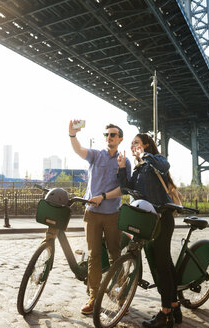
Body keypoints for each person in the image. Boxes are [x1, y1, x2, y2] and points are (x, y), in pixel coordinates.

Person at [116, 133, 181, 328]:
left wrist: (145, 155)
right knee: (163, 263)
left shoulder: (155, 161)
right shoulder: (139, 169)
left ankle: (166, 314)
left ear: (146, 144)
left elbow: (165, 166)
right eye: (132, 144)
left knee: (161, 264)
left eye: (137, 142)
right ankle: (175, 306)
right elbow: (126, 189)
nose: (134, 146)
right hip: (148, 219)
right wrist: (121, 168)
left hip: (163, 217)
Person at [68, 120, 131, 315]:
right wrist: (72, 135)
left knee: (115, 256)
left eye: (113, 135)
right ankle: (94, 297)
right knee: (94, 255)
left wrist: (103, 197)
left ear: (120, 139)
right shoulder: (96, 155)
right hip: (92, 214)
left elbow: (123, 189)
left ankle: (121, 298)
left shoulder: (124, 161)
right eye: (107, 135)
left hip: (113, 214)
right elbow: (79, 150)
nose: (109, 138)